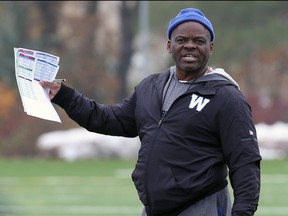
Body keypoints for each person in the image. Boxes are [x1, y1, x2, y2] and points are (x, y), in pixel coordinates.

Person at [40, 7, 261, 216]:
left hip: (201, 206)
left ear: (210, 47)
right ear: (169, 45)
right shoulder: (151, 87)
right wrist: (64, 96)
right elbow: (109, 119)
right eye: (182, 40)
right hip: (154, 209)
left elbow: (245, 161)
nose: (190, 46)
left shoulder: (225, 97)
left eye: (199, 41)